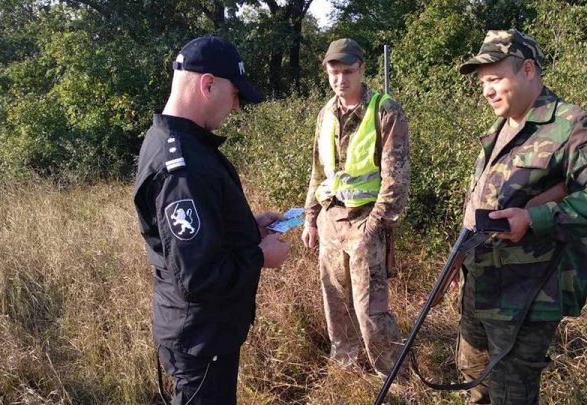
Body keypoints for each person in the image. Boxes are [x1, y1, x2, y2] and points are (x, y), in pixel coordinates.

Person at [455, 29, 587, 404]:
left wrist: (535, 219)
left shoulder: (575, 125)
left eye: (496, 78)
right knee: (474, 379)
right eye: (483, 82)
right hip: (480, 281)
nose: (487, 90)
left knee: (510, 392)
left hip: (528, 293)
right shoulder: (500, 128)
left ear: (529, 70)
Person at [133, 35, 290, 405]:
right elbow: (198, 276)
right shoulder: (180, 166)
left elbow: (198, 236)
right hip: (200, 337)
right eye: (234, 95)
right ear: (208, 84)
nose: (234, 107)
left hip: (206, 332)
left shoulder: (183, 144)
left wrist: (249, 228)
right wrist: (260, 256)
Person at [301, 38, 410, 378]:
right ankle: (346, 368)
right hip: (332, 217)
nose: (341, 79)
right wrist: (311, 219)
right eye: (334, 72)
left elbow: (396, 180)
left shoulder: (385, 110)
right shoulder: (325, 114)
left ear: (362, 69)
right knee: (334, 300)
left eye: (348, 71)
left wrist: (374, 228)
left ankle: (393, 377)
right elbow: (318, 172)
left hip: (367, 221)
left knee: (371, 310)